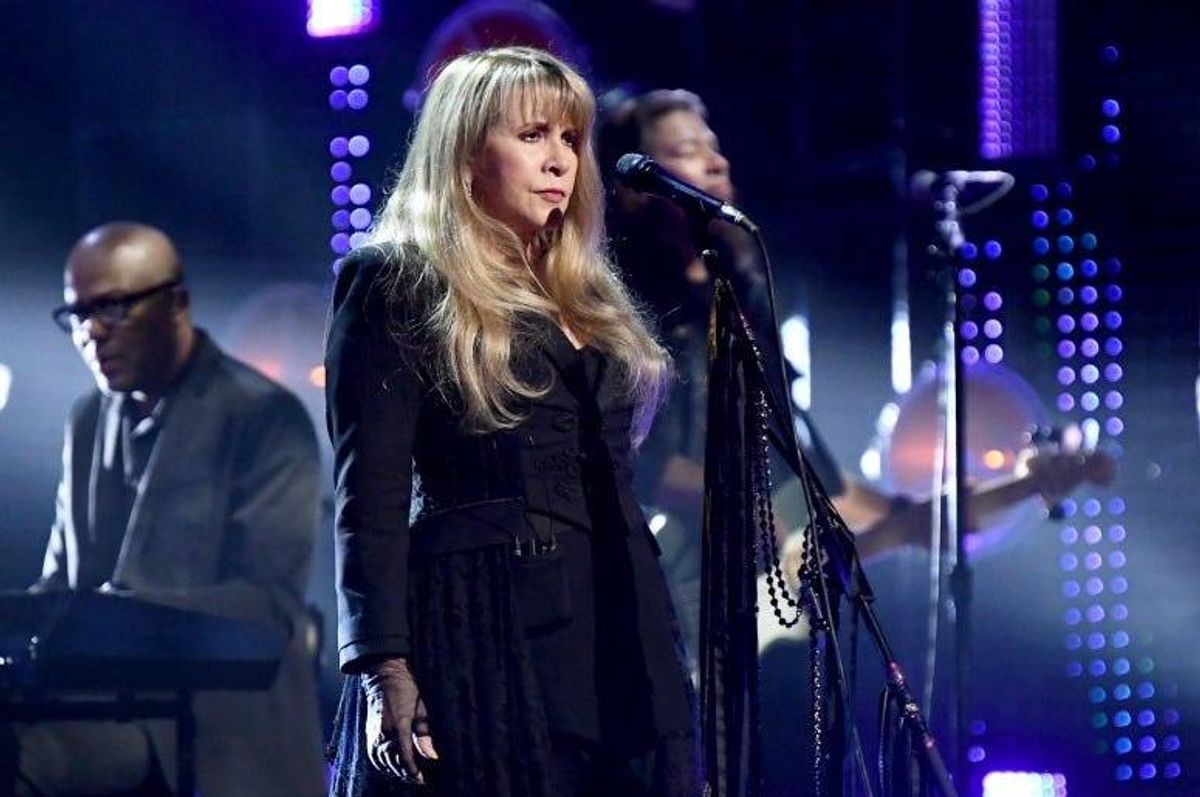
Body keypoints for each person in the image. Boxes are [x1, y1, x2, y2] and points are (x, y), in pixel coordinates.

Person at [324, 47, 698, 797]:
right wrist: (384, 666)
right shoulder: (399, 280)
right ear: (465, 153)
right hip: (486, 630)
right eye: (532, 137)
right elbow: (370, 494)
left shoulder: (591, 297)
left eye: (569, 139)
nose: (560, 159)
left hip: (623, 638)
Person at [17, 222, 326, 796]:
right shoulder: (87, 420)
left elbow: (269, 604)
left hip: (215, 721)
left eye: (110, 308)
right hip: (102, 709)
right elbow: (57, 587)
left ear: (176, 304)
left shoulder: (263, 416)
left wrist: (121, 616)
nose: (90, 334)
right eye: (77, 315)